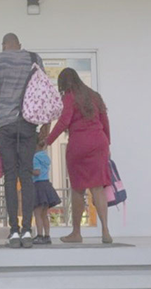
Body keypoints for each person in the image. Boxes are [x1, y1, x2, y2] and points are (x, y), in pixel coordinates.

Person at [0, 33, 48, 249]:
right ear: (19, 45)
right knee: (27, 176)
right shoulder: (33, 58)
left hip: (5, 125)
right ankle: (28, 230)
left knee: (10, 177)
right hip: (29, 124)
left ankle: (13, 231)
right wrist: (45, 125)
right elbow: (43, 92)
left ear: (3, 46)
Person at [46, 68, 113, 244]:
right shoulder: (95, 95)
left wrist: (48, 141)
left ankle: (76, 233)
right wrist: (108, 145)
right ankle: (105, 230)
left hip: (79, 145)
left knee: (78, 189)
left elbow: (64, 121)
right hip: (99, 143)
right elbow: (105, 122)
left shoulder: (70, 96)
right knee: (98, 188)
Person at [32, 140, 61, 245]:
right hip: (46, 185)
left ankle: (39, 235)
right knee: (44, 214)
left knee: (37, 213)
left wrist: (27, 169)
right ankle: (47, 236)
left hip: (38, 186)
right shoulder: (45, 157)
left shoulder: (35, 158)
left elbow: (37, 172)